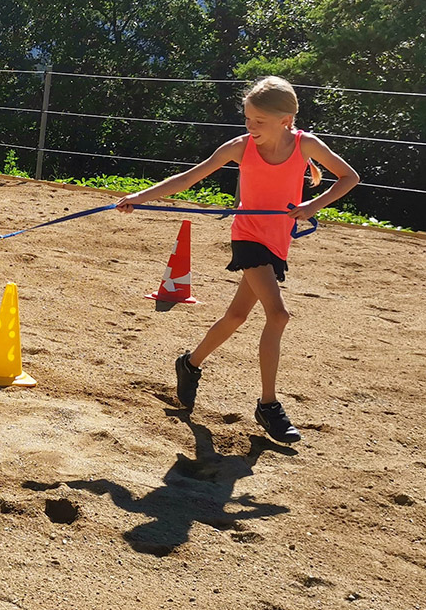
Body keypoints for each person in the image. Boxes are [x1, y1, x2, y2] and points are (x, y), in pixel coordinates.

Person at [116, 76, 360, 443]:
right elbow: (187, 179)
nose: (250, 127)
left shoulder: (305, 144)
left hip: (279, 239)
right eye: (247, 119)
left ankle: (190, 363)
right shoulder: (239, 147)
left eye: (258, 122)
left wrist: (313, 205)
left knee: (236, 316)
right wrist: (139, 196)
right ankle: (268, 405)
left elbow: (349, 177)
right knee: (278, 314)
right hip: (248, 237)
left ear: (285, 119)